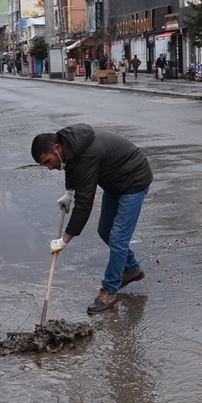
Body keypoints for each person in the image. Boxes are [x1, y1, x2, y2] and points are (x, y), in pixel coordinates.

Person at [31, 124, 154, 315]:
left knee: (118, 239)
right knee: (104, 231)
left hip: (133, 181)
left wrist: (65, 240)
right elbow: (70, 167)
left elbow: (85, 204)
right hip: (115, 182)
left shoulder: (87, 155)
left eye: (48, 161)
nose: (49, 167)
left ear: (57, 149)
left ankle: (109, 292)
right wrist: (69, 192)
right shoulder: (70, 145)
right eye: (44, 165)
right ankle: (132, 270)